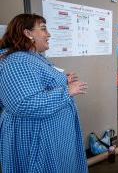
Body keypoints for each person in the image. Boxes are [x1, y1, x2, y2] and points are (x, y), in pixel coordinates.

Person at [0, 14, 88, 172]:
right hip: (37, 140)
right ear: (28, 33)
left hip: (49, 137)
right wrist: (67, 91)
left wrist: (63, 80)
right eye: (43, 29)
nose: (49, 34)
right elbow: (23, 103)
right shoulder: (16, 61)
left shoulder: (31, 57)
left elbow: (38, 84)